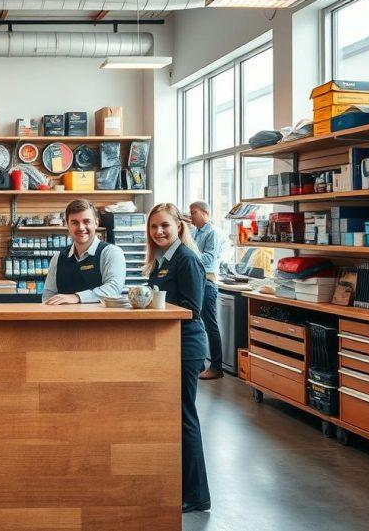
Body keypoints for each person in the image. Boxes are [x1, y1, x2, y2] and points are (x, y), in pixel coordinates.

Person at [145, 202, 211, 513]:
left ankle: (197, 495)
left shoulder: (187, 259)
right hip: (171, 345)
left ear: (179, 227)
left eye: (165, 226)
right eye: (154, 226)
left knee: (185, 417)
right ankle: (181, 486)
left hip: (186, 347)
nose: (159, 231)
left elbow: (192, 309)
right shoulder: (162, 260)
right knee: (176, 416)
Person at [42, 199, 126, 305]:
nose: (81, 228)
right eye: (75, 223)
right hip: (65, 320)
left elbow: (113, 289)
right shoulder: (58, 258)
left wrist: (77, 297)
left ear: (96, 223)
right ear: (67, 225)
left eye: (86, 221)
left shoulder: (111, 253)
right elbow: (47, 297)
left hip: (100, 320)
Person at [190, 200, 227, 380]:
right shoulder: (195, 232)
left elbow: (209, 258)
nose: (191, 216)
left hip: (208, 283)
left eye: (194, 212)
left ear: (205, 212)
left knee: (210, 325)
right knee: (198, 323)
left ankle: (217, 367)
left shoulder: (212, 233)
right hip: (197, 282)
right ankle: (199, 364)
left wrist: (189, 253)